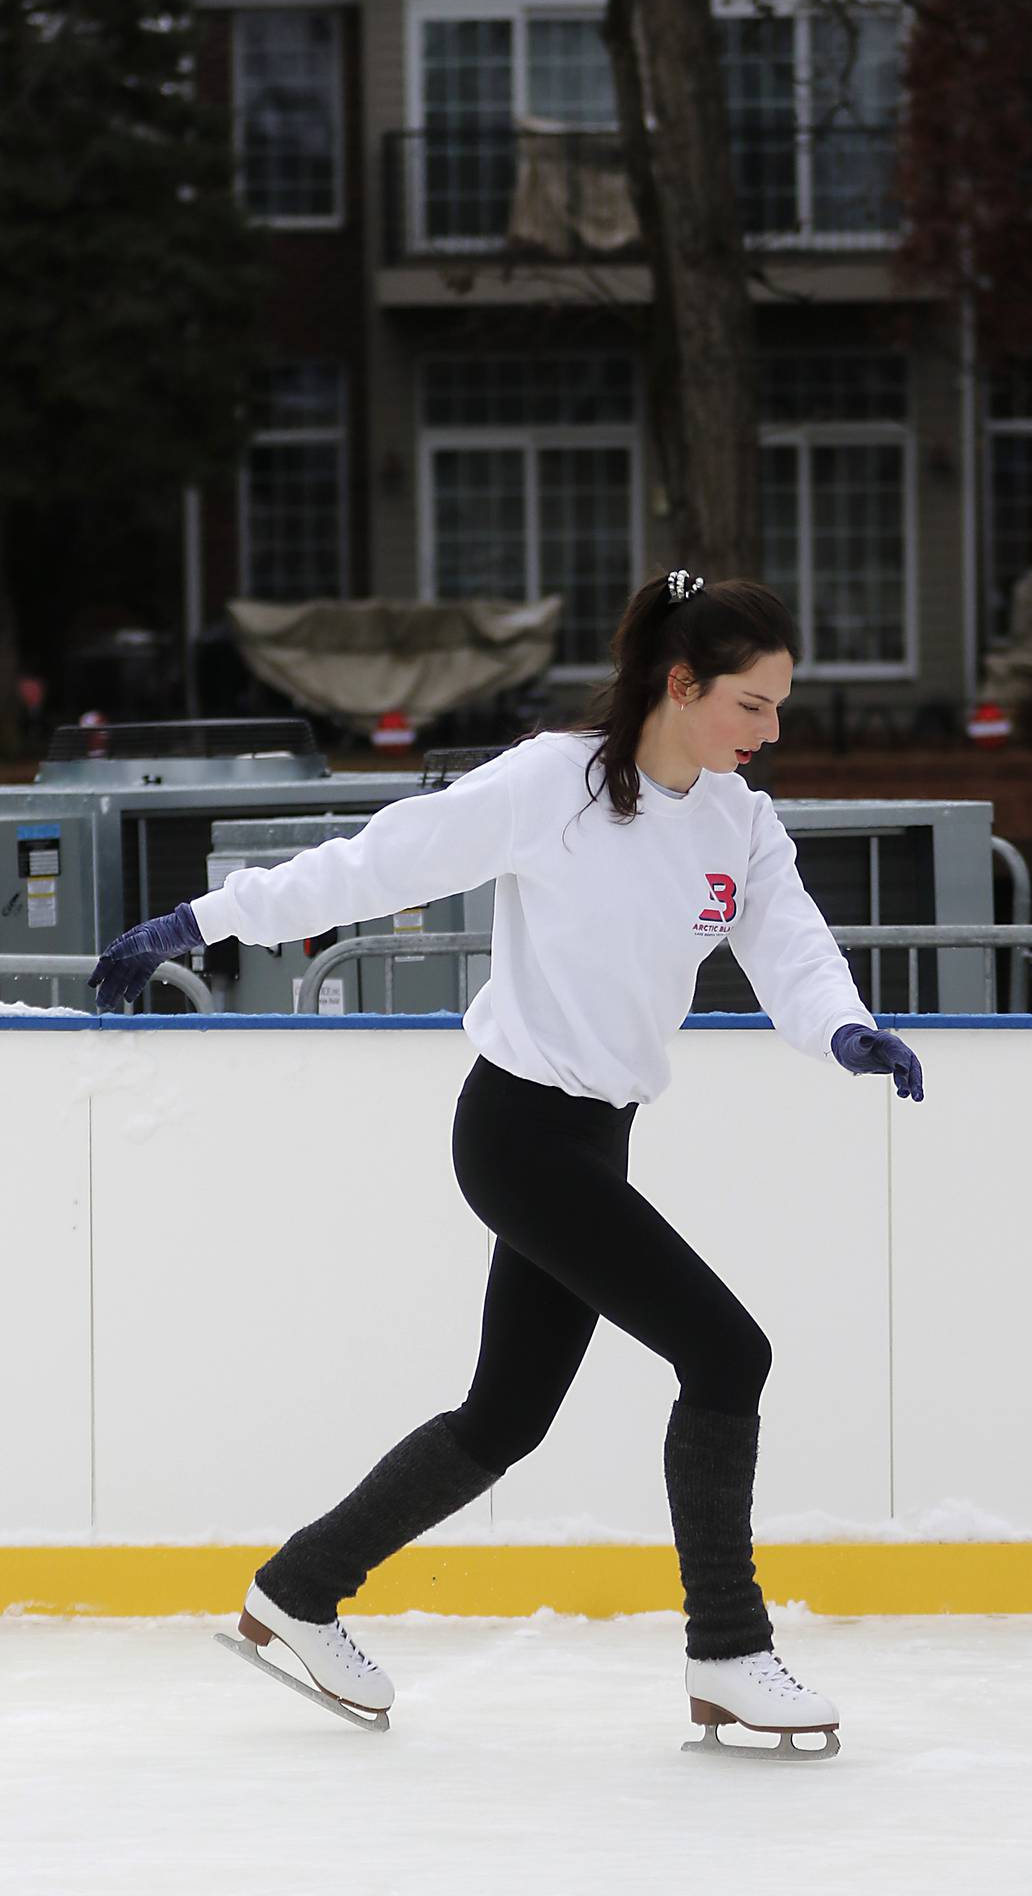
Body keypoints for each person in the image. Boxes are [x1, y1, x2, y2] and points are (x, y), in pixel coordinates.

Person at [89, 569, 925, 1762]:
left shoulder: (739, 819)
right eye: (752, 705)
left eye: (778, 707)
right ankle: (728, 1650)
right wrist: (203, 921)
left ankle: (301, 1588)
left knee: (507, 1415)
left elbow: (790, 946)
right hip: (520, 1132)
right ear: (681, 688)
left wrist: (844, 1029)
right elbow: (381, 862)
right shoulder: (558, 783)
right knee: (728, 1351)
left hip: (595, 1137)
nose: (770, 730)